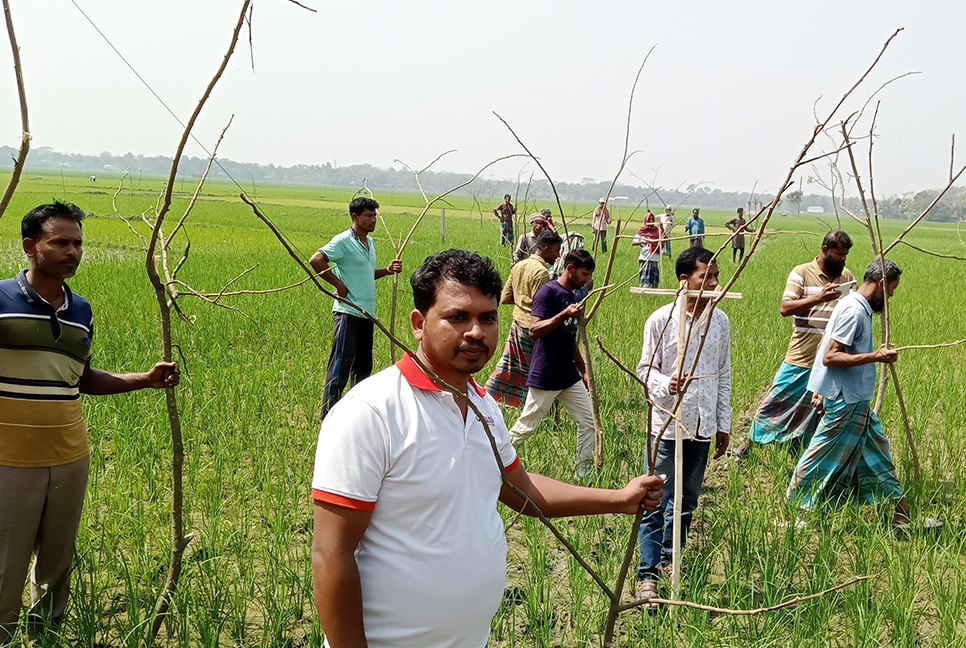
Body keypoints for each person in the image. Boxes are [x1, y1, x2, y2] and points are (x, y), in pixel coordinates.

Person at [310, 248, 665, 648]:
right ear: (417, 324)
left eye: (487, 317)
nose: (476, 332)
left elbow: (523, 491)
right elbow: (330, 556)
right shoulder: (371, 412)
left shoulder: (484, 407)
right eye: (457, 317)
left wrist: (620, 499)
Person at [0, 202, 181, 645]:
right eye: (60, 241)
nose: (73, 251)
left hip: (69, 458)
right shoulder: (1, 299)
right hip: (9, 462)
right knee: (5, 566)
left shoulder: (81, 310)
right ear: (30, 246)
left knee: (58, 565)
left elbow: (81, 379)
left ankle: (47, 637)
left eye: (78, 243)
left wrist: (145, 379)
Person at [635, 246, 731, 601]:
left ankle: (671, 560)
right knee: (655, 500)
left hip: (703, 424)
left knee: (687, 500)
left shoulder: (719, 321)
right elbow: (645, 371)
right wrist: (667, 384)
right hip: (668, 422)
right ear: (685, 280)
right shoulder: (661, 320)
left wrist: (723, 422)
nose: (715, 284)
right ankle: (647, 573)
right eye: (707, 277)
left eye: (717, 276)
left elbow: (724, 374)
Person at [786, 258, 913, 526]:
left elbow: (825, 343)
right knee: (820, 455)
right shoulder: (854, 310)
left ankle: (901, 515)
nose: (891, 295)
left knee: (877, 452)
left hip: (856, 399)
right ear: (880, 284)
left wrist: (821, 387)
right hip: (845, 399)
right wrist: (875, 357)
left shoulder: (852, 304)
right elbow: (830, 355)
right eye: (891, 289)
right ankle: (793, 511)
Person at [735, 230, 854, 457]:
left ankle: (799, 448)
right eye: (839, 255)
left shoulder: (846, 276)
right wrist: (820, 297)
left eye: (846, 255)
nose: (843, 260)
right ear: (825, 250)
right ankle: (750, 443)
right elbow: (785, 308)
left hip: (830, 358)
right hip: (801, 355)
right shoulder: (801, 273)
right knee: (775, 400)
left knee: (817, 409)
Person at [310, 197, 402, 417]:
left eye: (375, 216)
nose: (373, 220)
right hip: (348, 312)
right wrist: (338, 284)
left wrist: (387, 270)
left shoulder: (369, 243)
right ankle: (329, 415)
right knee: (340, 365)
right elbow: (316, 260)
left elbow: (366, 275)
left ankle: (357, 415)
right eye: (369, 216)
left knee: (362, 368)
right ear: (355, 217)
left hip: (366, 314)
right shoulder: (342, 241)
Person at [509, 250, 597, 478]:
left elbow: (570, 336)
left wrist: (583, 369)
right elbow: (534, 330)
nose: (587, 280)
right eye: (584, 274)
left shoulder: (574, 295)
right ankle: (498, 460)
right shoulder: (547, 293)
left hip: (569, 375)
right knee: (527, 426)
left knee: (588, 422)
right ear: (570, 268)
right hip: (546, 374)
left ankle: (583, 474)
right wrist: (563, 314)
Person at [486, 230, 562, 408]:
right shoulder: (542, 273)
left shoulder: (519, 266)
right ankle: (545, 410)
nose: (558, 256)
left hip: (517, 325)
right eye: (556, 250)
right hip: (533, 328)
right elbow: (542, 308)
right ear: (545, 248)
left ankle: (488, 398)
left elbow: (505, 297)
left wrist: (521, 300)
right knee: (541, 371)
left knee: (509, 367)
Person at [633, 212, 662, 288]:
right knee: (645, 277)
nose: (651, 221)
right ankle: (643, 291)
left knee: (654, 278)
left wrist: (661, 227)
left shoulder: (657, 230)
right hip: (645, 257)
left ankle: (653, 293)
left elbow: (663, 238)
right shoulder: (642, 230)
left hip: (654, 256)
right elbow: (634, 242)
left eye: (652, 219)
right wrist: (643, 241)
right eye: (649, 219)